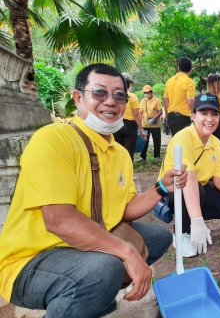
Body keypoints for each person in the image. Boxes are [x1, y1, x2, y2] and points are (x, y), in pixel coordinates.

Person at [0, 64, 188, 317]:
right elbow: (59, 220)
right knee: (105, 267)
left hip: (83, 245)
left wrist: (163, 186)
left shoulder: (121, 154)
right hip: (31, 261)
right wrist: (126, 251)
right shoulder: (55, 139)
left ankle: (95, 296)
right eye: (99, 93)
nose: (111, 102)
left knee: (158, 237)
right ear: (78, 98)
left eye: (119, 95)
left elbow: (125, 211)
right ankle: (84, 291)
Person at [158, 93, 220, 257]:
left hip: (198, 190)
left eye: (214, 114)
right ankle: (181, 233)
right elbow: (188, 177)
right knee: (193, 186)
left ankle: (194, 221)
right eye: (204, 113)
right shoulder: (182, 139)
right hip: (173, 191)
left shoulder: (216, 143)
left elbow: (219, 180)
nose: (210, 119)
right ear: (193, 115)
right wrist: (197, 221)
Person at [113, 72, 146, 161]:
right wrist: (141, 130)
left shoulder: (113, 96)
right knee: (128, 153)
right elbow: (136, 114)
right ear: (129, 83)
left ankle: (118, 174)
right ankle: (127, 174)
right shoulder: (132, 97)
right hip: (129, 127)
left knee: (118, 152)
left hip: (116, 125)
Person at [164, 57, 196, 136]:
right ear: (191, 70)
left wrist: (167, 116)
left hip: (171, 116)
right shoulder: (189, 82)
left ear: (178, 68)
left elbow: (165, 101)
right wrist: (194, 116)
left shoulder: (169, 81)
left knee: (176, 141)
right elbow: (190, 102)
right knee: (185, 142)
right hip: (183, 117)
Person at [139, 85, 163, 162]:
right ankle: (143, 157)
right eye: (145, 92)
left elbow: (160, 112)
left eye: (147, 92)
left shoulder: (157, 100)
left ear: (151, 92)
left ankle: (157, 156)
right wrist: (139, 123)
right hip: (145, 125)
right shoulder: (143, 101)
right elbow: (141, 112)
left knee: (157, 141)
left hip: (155, 125)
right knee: (144, 141)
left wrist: (153, 119)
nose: (146, 93)